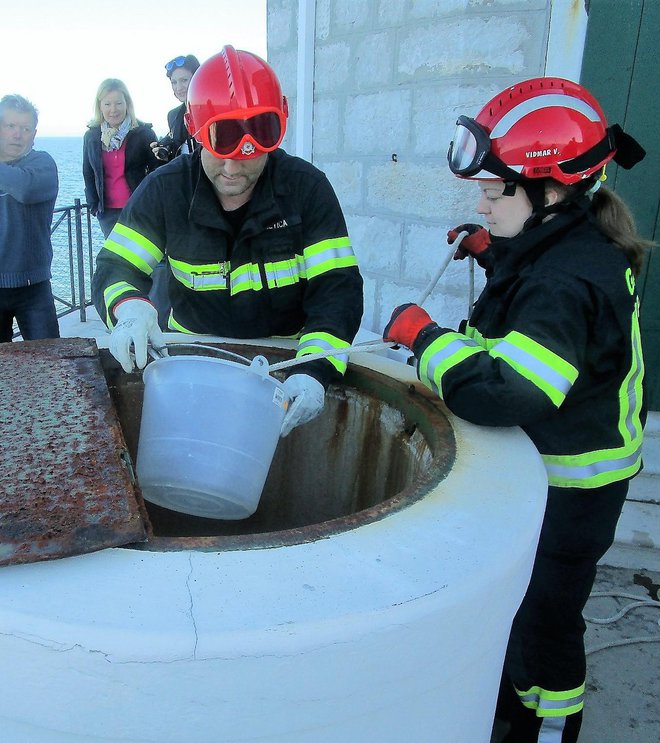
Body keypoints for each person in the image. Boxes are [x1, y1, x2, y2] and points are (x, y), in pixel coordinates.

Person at [382, 77, 650, 742]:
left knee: (547, 622)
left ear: (550, 189)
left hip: (574, 487)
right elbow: (530, 286)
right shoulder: (564, 242)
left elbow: (507, 392)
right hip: (557, 474)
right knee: (523, 609)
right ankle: (512, 704)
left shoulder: (564, 280)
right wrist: (491, 247)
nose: (481, 201)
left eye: (494, 191)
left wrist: (426, 339)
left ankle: (550, 725)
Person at [91, 45, 363, 437]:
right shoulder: (165, 190)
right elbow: (116, 267)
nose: (233, 169)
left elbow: (337, 288)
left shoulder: (306, 189)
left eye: (249, 154)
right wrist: (130, 310)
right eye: (219, 150)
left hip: (284, 366)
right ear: (195, 132)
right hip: (192, 359)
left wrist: (315, 369)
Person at [0, 94, 60, 342]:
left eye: (25, 128)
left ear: (33, 134)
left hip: (33, 287)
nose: (17, 135)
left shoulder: (42, 163)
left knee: (51, 363)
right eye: (10, 126)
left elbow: (25, 188)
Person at [83, 79, 160, 238]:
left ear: (127, 104)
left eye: (118, 103)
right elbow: (88, 171)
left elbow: (157, 171)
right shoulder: (92, 136)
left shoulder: (143, 133)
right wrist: (93, 204)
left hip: (139, 210)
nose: (113, 109)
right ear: (100, 106)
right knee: (116, 261)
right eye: (107, 104)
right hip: (108, 214)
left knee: (143, 260)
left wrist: (153, 203)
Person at [151, 54, 201, 162]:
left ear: (198, 78)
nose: (178, 88)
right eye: (174, 82)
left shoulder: (213, 111)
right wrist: (167, 155)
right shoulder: (173, 116)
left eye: (184, 80)